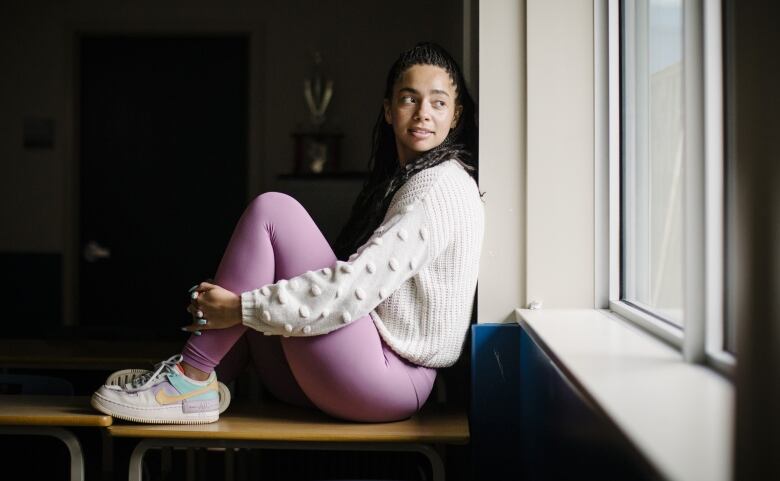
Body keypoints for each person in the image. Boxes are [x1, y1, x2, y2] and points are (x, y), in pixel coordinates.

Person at [91, 42, 484, 424]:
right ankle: (197, 380)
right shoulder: (410, 180)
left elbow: (354, 288)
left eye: (438, 102)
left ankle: (189, 378)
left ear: (455, 115)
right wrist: (240, 300)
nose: (423, 114)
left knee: (273, 211)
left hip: (388, 380)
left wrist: (238, 307)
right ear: (388, 109)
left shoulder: (439, 186)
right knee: (257, 281)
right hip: (361, 379)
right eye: (409, 99)